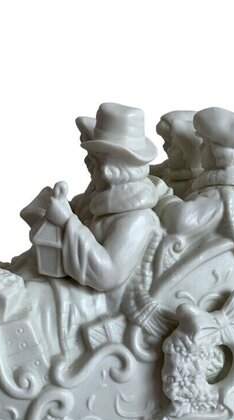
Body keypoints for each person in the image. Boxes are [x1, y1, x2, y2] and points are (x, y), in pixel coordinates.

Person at [38, 102, 161, 303]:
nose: (87, 164)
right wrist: (59, 208)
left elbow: (107, 274)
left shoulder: (137, 219)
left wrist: (67, 221)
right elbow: (82, 215)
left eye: (94, 160)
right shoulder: (104, 196)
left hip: (105, 301)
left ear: (109, 170)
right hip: (78, 289)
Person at [156, 107, 234, 274]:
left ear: (217, 154)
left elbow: (182, 221)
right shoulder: (214, 182)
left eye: (204, 145)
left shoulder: (223, 193)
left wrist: (164, 197)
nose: (199, 149)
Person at [150, 110, 203, 198]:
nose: (165, 147)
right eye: (166, 142)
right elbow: (152, 170)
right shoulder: (168, 167)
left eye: (172, 146)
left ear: (188, 153)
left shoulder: (197, 184)